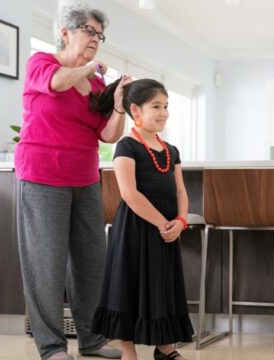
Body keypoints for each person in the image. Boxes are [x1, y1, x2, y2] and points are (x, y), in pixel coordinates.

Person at [15, 4, 130, 360]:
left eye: (100, 35)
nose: (95, 39)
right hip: (42, 175)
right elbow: (56, 83)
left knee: (90, 261)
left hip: (84, 178)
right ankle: (51, 346)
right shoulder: (42, 63)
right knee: (46, 263)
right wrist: (88, 68)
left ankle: (92, 341)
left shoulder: (95, 84)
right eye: (89, 31)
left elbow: (108, 135)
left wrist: (119, 105)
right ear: (65, 32)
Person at [90, 79, 194, 360]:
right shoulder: (126, 145)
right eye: (156, 106)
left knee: (163, 283)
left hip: (168, 227)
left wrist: (181, 221)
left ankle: (165, 348)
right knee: (130, 283)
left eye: (166, 106)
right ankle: (128, 349)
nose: (163, 113)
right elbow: (129, 193)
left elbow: (181, 190)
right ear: (136, 110)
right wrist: (163, 223)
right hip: (137, 226)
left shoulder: (171, 150)